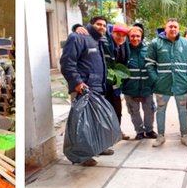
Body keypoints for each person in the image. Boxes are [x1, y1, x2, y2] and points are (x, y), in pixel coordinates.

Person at [59, 22, 116, 166]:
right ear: (90, 24)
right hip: (83, 88)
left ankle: (99, 147)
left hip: (96, 88)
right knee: (82, 125)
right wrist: (77, 82)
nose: (102, 27)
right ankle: (82, 156)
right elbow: (67, 62)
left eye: (104, 25)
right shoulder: (78, 37)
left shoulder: (99, 40)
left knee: (95, 122)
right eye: (98, 24)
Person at [145, 18, 187, 147]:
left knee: (183, 110)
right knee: (160, 110)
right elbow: (149, 63)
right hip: (162, 85)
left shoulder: (186, 44)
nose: (173, 29)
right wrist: (156, 79)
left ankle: (184, 135)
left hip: (181, 84)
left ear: (178, 29)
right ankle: (160, 136)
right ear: (165, 28)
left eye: (175, 27)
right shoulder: (156, 43)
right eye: (170, 26)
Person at [121, 24, 156, 140]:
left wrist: (153, 83)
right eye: (132, 36)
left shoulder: (148, 50)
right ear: (128, 37)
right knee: (134, 112)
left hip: (147, 88)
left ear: (141, 37)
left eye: (137, 36)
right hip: (130, 89)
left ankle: (149, 130)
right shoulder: (123, 50)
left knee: (150, 110)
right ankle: (139, 131)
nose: (135, 38)